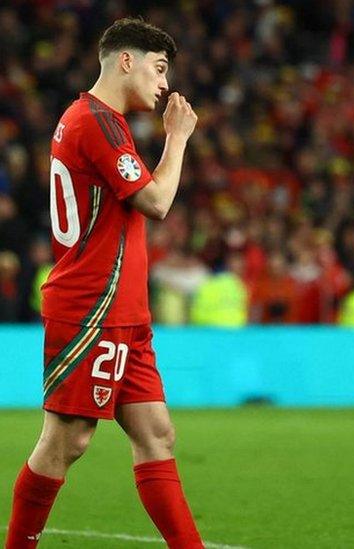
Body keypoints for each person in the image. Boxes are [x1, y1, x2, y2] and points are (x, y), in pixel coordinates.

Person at [4, 18, 202, 548]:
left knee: (157, 434)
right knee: (66, 442)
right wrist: (178, 138)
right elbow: (157, 203)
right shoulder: (96, 121)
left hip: (125, 314)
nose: (164, 84)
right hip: (93, 309)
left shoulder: (92, 119)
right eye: (160, 69)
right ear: (126, 61)